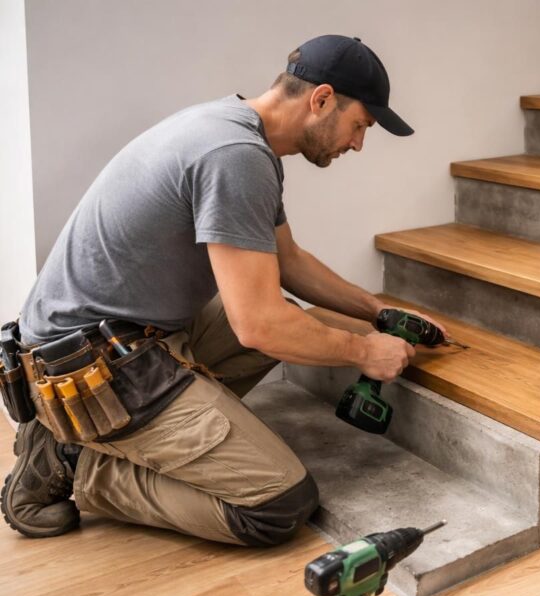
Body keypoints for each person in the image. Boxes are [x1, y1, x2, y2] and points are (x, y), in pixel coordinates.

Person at [1, 34, 441, 546]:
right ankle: (79, 463)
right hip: (92, 366)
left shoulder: (232, 129)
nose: (359, 143)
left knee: (293, 320)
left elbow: (288, 261)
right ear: (321, 99)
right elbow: (258, 325)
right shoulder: (237, 156)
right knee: (279, 505)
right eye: (360, 125)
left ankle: (113, 437)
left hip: (115, 340)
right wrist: (363, 351)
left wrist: (376, 310)